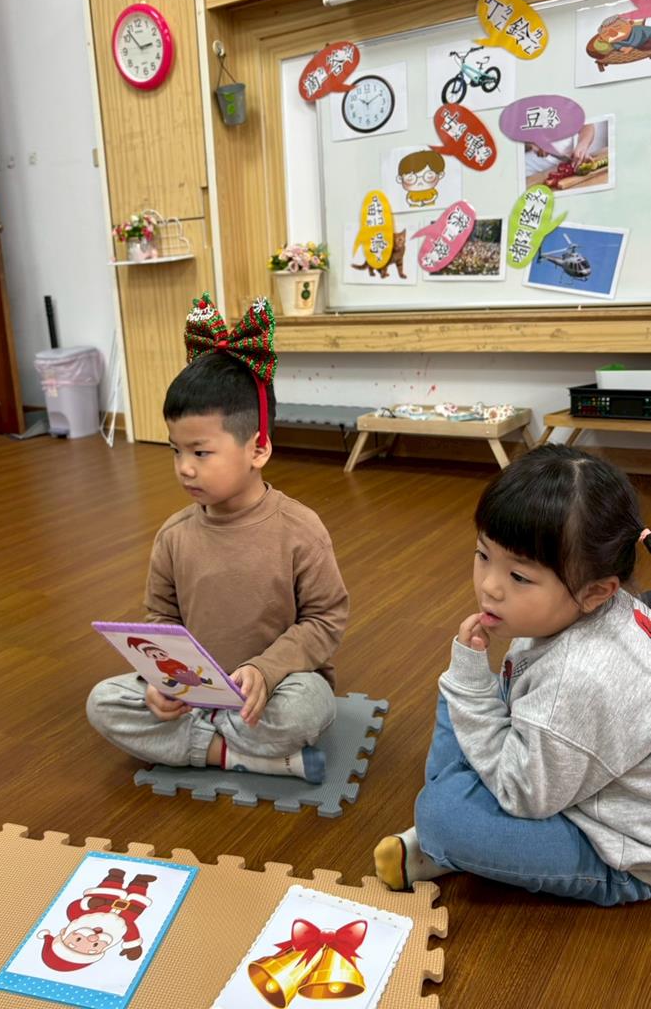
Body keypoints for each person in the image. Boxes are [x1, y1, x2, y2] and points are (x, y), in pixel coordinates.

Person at [87, 293, 348, 784]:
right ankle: (238, 754)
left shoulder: (300, 528)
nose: (184, 467)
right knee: (103, 702)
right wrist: (161, 683)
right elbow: (161, 620)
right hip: (195, 692)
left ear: (258, 448)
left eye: (201, 452)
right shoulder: (173, 535)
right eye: (176, 451)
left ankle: (200, 745)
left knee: (310, 708)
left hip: (273, 688)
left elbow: (325, 620)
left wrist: (266, 670)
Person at [374, 444, 651, 906]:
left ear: (596, 591)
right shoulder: (582, 613)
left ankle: (445, 841)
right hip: (565, 774)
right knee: (464, 684)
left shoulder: (576, 681)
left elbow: (523, 794)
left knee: (442, 814)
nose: (489, 585)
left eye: (519, 577)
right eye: (483, 554)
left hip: (622, 850)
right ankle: (460, 826)